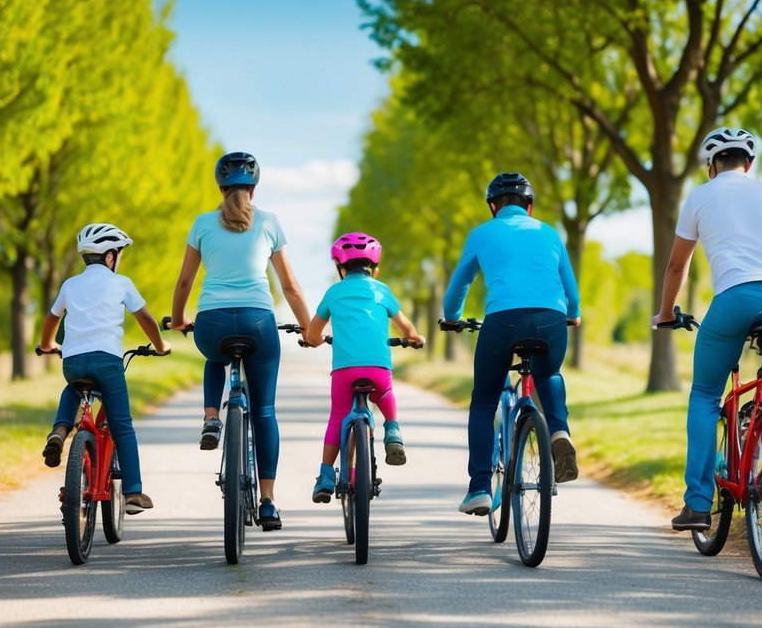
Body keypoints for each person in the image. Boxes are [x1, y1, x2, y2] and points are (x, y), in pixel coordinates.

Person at [651, 127, 762, 531]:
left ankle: (698, 504)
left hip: (735, 298)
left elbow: (676, 266)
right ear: (749, 163)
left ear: (711, 166)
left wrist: (666, 312)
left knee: (704, 394)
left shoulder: (701, 196)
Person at [168, 151, 312, 531]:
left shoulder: (201, 223)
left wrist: (181, 317)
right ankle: (268, 502)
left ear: (220, 186)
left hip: (212, 321)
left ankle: (211, 417)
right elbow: (291, 287)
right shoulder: (269, 222)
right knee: (264, 411)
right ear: (254, 187)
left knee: (214, 354)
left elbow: (185, 282)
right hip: (259, 322)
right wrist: (310, 330)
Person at [442, 172, 582, 516]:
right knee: (549, 373)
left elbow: (458, 285)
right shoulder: (549, 233)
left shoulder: (481, 234)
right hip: (551, 320)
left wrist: (452, 317)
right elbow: (571, 291)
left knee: (485, 399)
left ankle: (479, 488)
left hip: (502, 321)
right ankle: (559, 431)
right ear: (529, 207)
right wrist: (573, 315)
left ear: (493, 206)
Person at [39, 223, 170, 515]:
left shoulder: (70, 285)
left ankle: (59, 431)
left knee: (72, 388)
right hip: (108, 362)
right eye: (118, 254)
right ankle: (134, 492)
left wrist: (47, 344)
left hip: (72, 362)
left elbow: (51, 319)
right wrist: (161, 345)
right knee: (122, 425)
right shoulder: (121, 283)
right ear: (111, 257)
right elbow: (146, 318)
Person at [303, 232, 425, 503]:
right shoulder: (382, 290)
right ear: (375, 268)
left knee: (338, 415)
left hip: (345, 371)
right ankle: (392, 430)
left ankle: (325, 475)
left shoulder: (334, 292)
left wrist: (314, 340)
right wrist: (415, 338)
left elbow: (313, 333)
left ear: (340, 269)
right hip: (378, 369)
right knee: (384, 394)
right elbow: (407, 328)